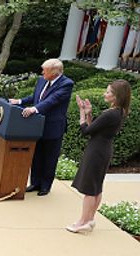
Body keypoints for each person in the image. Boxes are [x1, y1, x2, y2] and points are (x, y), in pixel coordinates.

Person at [67, 80, 132, 233]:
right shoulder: (119, 112)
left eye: (108, 92)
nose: (105, 94)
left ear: (116, 96)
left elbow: (85, 131)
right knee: (96, 187)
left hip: (96, 151)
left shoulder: (111, 114)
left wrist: (82, 113)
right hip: (103, 149)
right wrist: (89, 113)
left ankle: (82, 221)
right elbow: (95, 128)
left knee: (90, 189)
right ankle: (90, 219)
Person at [9, 58, 74, 196]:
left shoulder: (66, 84)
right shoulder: (42, 80)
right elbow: (36, 97)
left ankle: (45, 186)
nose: (42, 72)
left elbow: (52, 100)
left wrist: (35, 109)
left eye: (45, 70)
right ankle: (35, 182)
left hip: (53, 127)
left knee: (49, 157)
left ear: (55, 72)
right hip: (36, 126)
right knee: (36, 155)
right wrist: (19, 101)